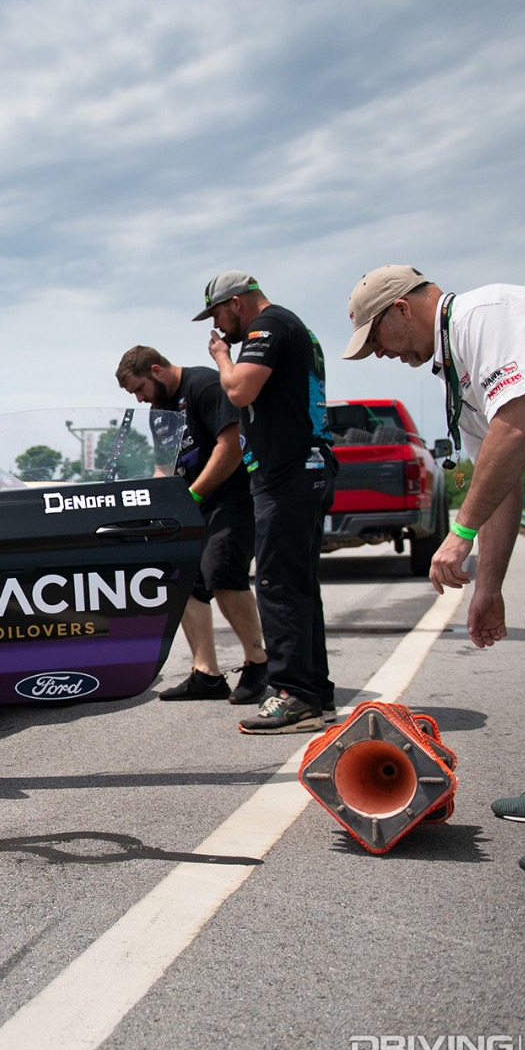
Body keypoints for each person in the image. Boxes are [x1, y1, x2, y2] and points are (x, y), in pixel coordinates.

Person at [344, 264, 525, 886]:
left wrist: (457, 537)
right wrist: (488, 585)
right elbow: (503, 476)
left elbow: (518, 427)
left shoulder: (489, 313)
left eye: (377, 336)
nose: (382, 353)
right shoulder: (459, 371)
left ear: (404, 307)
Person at [194, 271, 338, 733]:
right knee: (298, 586)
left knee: (278, 585)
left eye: (217, 314)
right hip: (302, 470)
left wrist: (221, 357)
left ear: (236, 303)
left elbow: (238, 390)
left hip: (287, 473)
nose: (218, 327)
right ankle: (315, 694)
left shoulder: (268, 326)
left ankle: (294, 694)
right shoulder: (294, 328)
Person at [116, 345, 269, 705]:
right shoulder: (159, 413)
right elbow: (163, 467)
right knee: (183, 579)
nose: (139, 399)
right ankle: (207, 675)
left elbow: (229, 446)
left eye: (139, 389)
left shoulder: (204, 385)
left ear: (156, 370)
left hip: (231, 499)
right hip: (192, 505)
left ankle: (258, 663)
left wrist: (194, 496)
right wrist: (155, 506)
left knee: (222, 571)